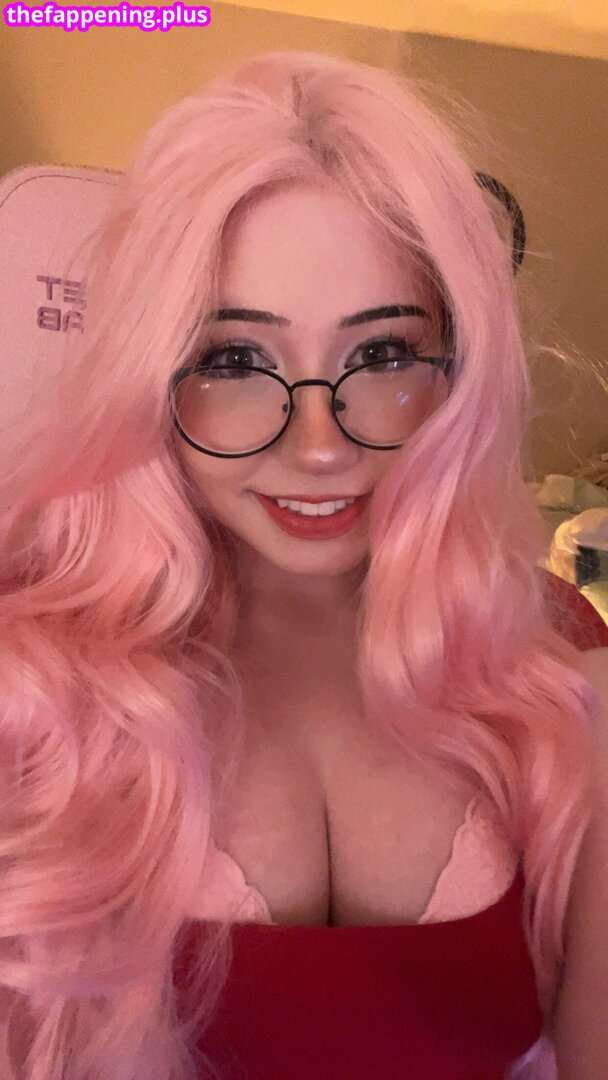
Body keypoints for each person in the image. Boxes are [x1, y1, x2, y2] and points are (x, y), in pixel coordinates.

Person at [1, 49, 607, 1080]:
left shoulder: (554, 665)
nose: (319, 445)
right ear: (150, 373)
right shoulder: (34, 696)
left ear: (457, 372)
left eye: (381, 355)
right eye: (237, 360)